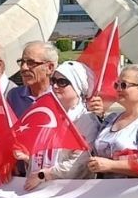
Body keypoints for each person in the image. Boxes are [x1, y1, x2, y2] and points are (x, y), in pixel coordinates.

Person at [23, 60, 103, 190]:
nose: (55, 86)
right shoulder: (48, 116)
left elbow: (79, 163)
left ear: (77, 86)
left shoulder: (86, 120)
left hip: (65, 193)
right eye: (53, 81)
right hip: (37, 188)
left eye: (62, 82)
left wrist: (44, 174)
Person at [87, 64, 138, 178]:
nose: (118, 89)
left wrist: (111, 165)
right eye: (117, 85)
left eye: (124, 85)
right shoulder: (111, 119)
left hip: (133, 193)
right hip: (103, 190)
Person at [7, 41, 58, 117]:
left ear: (49, 68)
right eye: (22, 62)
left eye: (31, 63)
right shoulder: (14, 96)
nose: (24, 68)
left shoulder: (59, 97)